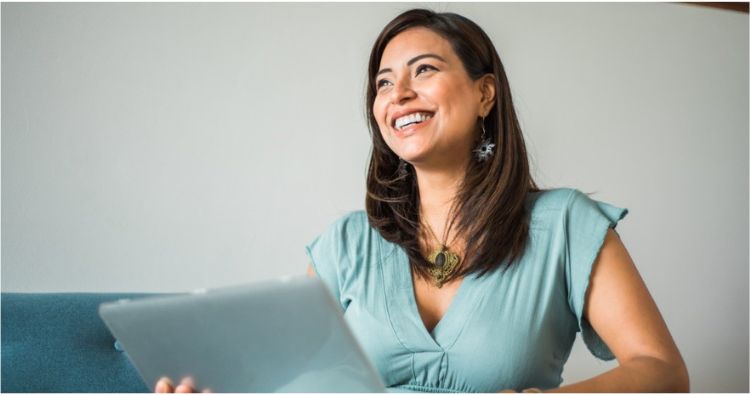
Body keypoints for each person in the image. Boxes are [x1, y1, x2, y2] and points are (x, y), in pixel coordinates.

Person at [156, 8, 689, 393]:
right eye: (384, 83)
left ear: (485, 93)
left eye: (424, 70)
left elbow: (662, 369)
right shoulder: (347, 242)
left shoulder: (565, 223)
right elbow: (298, 382)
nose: (399, 94)